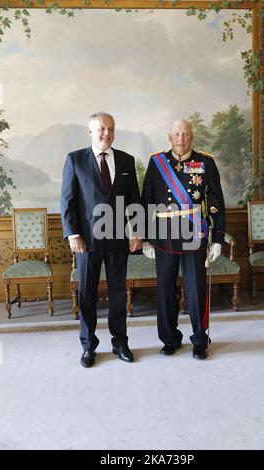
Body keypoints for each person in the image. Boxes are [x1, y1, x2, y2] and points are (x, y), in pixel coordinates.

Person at [61, 112, 142, 368]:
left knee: (119, 292)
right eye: (101, 129)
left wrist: (137, 231)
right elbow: (67, 200)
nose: (106, 133)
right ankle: (88, 346)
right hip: (87, 241)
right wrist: (73, 234)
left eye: (111, 129)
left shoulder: (127, 161)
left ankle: (120, 342)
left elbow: (134, 200)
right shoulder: (75, 160)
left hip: (118, 238)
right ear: (91, 132)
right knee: (87, 294)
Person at [141, 119, 225, 360]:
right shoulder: (157, 162)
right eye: (177, 134)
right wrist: (146, 239)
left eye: (185, 134)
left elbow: (216, 202)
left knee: (196, 290)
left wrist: (217, 239)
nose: (181, 138)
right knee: (165, 290)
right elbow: (147, 200)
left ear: (192, 137)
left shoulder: (206, 162)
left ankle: (200, 340)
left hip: (194, 234)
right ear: (170, 136)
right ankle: (169, 339)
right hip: (164, 236)